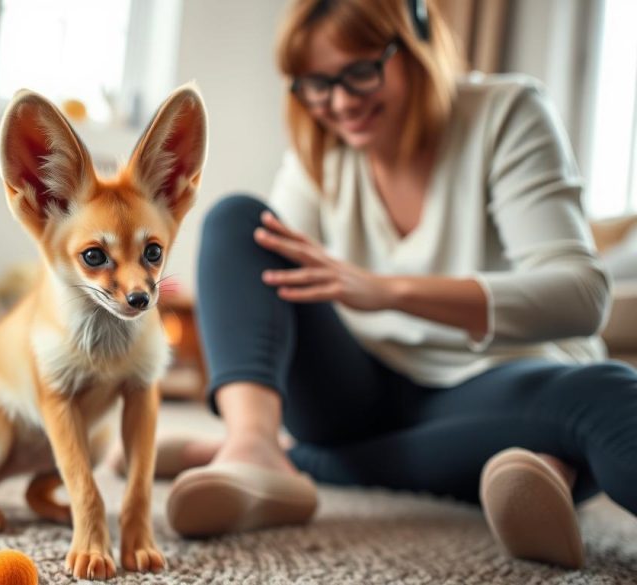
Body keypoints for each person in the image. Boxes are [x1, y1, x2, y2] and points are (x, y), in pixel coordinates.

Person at [162, 0, 637, 570]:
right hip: (358, 392)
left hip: (488, 386)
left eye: (360, 72)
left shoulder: (507, 112)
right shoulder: (320, 152)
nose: (338, 103)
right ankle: (253, 445)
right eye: (316, 85)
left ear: (415, 45)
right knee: (237, 221)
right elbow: (267, 286)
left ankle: (306, 460)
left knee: (608, 396)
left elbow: (583, 296)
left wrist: (387, 290)